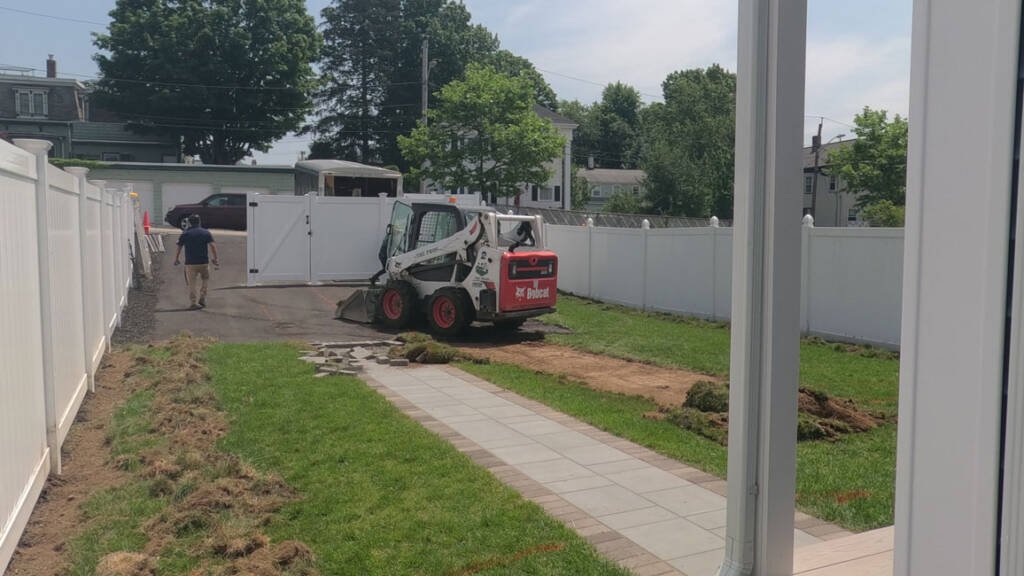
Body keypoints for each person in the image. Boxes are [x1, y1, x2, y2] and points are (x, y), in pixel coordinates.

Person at [174, 214, 219, 309]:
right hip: (203, 262)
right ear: (199, 221)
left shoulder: (185, 234)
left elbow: (179, 247)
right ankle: (202, 296)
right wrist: (215, 259)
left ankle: (193, 303)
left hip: (190, 263)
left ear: (189, 223)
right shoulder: (205, 233)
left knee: (192, 283)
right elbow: (213, 246)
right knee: (205, 279)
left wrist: (176, 258)